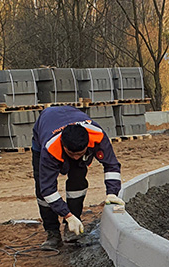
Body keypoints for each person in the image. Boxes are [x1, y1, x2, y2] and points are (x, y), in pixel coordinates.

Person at [33, 105, 124, 248]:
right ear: (64, 146)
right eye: (71, 154)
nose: (76, 158)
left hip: (70, 119)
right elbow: (48, 189)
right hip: (46, 125)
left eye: (80, 154)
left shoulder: (98, 137)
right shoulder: (49, 148)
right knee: (41, 189)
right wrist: (67, 215)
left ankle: (71, 231)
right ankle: (52, 233)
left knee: (78, 181)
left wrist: (112, 193)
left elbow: (112, 165)